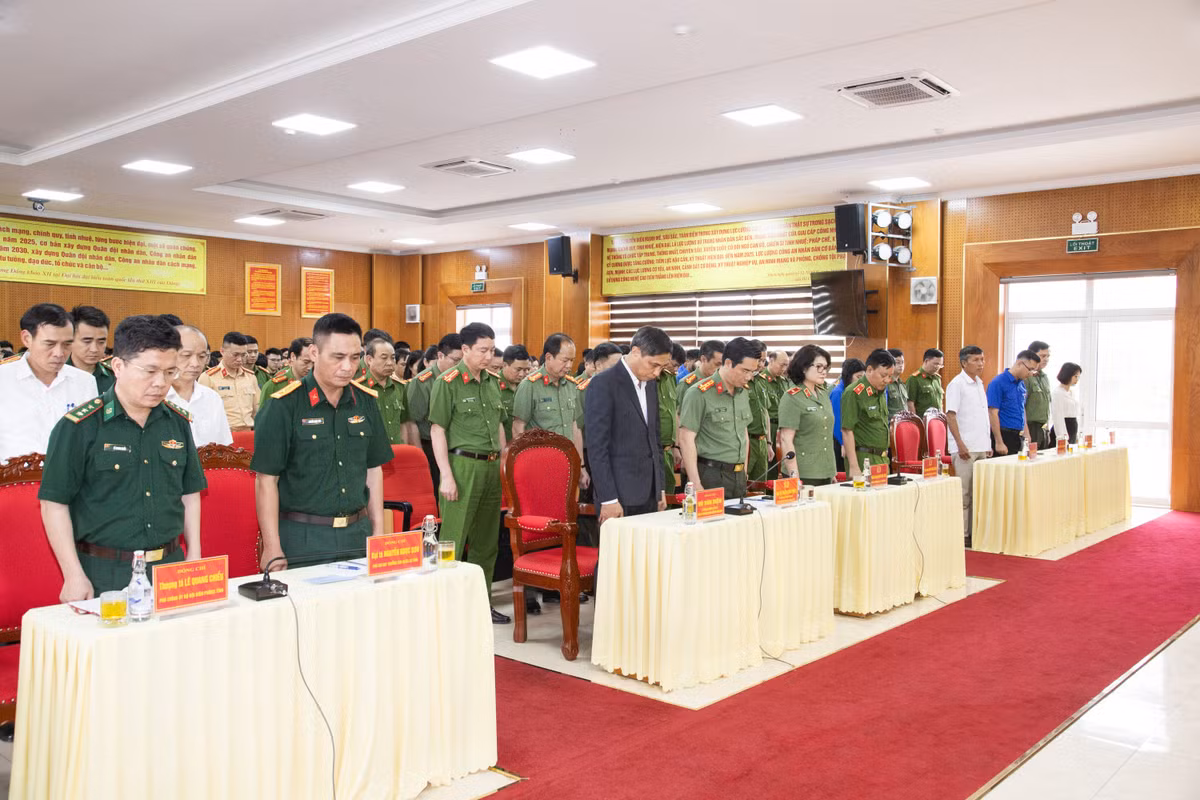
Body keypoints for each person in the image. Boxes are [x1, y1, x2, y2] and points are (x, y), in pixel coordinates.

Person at [39, 315, 206, 600]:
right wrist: (73, 574)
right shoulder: (79, 426)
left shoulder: (177, 423)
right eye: (150, 371)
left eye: (169, 372)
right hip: (104, 570)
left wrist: (195, 555)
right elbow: (54, 504)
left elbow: (189, 495)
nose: (160, 383)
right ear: (118, 366)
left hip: (169, 566)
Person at [252, 313, 392, 571]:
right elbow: (266, 481)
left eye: (354, 357)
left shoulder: (366, 402)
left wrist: (378, 535)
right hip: (304, 538)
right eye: (337, 357)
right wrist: (272, 546)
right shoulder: (283, 405)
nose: (348, 367)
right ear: (314, 352)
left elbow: (374, 472)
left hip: (357, 534)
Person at [428, 322, 509, 624]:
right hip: (462, 466)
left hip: (490, 467)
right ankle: (446, 607)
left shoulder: (492, 381)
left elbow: (499, 424)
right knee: (452, 540)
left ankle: (480, 603)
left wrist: (503, 463)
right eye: (482, 350)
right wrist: (445, 475)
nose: (489, 356)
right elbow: (437, 430)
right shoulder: (448, 382)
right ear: (465, 350)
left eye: (491, 350)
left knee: (487, 542)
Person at [585, 326, 672, 524]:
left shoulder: (650, 384)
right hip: (618, 495)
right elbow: (597, 449)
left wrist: (660, 489)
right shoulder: (603, 384)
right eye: (654, 365)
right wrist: (608, 498)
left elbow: (655, 439)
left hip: (649, 493)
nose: (657, 373)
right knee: (618, 554)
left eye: (662, 367)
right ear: (636, 352)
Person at [0, 303, 98, 462]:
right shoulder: (3, 379)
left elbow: (90, 440)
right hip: (11, 483)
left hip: (68, 482)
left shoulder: (84, 383)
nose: (59, 353)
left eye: (67, 344)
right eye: (49, 344)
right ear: (27, 339)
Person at [679, 337, 761, 499]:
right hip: (710, 475)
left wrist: (743, 470)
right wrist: (695, 483)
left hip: (738, 476)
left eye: (753, 372)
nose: (749, 377)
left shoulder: (743, 392)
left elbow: (743, 431)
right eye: (745, 371)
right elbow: (686, 439)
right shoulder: (699, 393)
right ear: (729, 363)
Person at [512, 333, 588, 488]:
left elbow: (575, 428)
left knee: (567, 511)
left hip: (568, 463)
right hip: (539, 465)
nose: (569, 366)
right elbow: (518, 428)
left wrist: (581, 466)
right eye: (564, 360)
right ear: (548, 357)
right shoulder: (530, 386)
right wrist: (526, 464)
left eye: (572, 361)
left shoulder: (572, 386)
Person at [945, 345, 992, 545]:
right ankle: (962, 534)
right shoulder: (957, 384)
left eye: (982, 359)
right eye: (976, 360)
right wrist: (960, 444)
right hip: (965, 447)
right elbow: (951, 415)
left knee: (978, 493)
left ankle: (974, 532)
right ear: (964, 363)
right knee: (964, 493)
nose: (981, 363)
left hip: (981, 445)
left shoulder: (979, 383)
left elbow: (982, 415)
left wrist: (987, 442)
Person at [407, 334, 463, 486]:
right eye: (456, 360)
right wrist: (420, 457)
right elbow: (412, 422)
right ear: (440, 355)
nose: (460, 365)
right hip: (431, 447)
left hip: (459, 447)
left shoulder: (463, 380)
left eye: (463, 360)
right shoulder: (422, 382)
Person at [778, 345, 836, 485]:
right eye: (819, 367)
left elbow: (826, 434)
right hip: (804, 472)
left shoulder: (823, 395)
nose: (824, 372)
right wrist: (794, 476)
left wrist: (831, 472)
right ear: (804, 368)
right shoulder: (792, 397)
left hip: (825, 470)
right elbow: (786, 439)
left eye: (826, 367)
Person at [167, 325, 233, 447]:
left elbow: (223, 447)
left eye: (202, 356)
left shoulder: (212, 398)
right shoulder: (155, 398)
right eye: (186, 355)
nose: (195, 364)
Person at [841, 349, 896, 479]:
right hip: (864, 459)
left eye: (890, 376)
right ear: (870, 370)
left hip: (882, 459)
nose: (887, 380)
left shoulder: (881, 392)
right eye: (883, 375)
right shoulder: (854, 392)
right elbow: (847, 431)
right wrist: (854, 466)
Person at [198, 332, 259, 432]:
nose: (240, 359)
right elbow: (201, 412)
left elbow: (257, 410)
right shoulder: (208, 378)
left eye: (243, 355)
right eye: (235, 355)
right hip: (222, 434)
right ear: (222, 351)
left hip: (248, 433)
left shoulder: (251, 377)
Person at [987, 351, 1039, 456]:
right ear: (1020, 363)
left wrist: (1027, 434)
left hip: (1018, 436)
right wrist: (999, 442)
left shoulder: (1022, 384)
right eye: (1030, 369)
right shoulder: (998, 382)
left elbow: (1022, 409)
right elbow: (992, 413)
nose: (1031, 373)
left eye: (1034, 371)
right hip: (1003, 435)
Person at [362, 337, 409, 445]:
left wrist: (404, 448)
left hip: (397, 453)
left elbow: (403, 422)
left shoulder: (399, 387)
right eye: (384, 358)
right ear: (369, 359)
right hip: (373, 456)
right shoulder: (359, 388)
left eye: (393, 358)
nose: (390, 363)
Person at [657, 342, 685, 495]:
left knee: (669, 491)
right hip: (654, 450)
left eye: (677, 367)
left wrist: (676, 446)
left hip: (668, 449)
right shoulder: (649, 380)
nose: (675, 370)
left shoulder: (670, 379)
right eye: (673, 365)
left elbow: (674, 413)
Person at [829, 358, 865, 474]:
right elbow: (837, 421)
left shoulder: (856, 391)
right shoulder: (838, 392)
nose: (861, 381)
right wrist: (843, 443)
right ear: (849, 376)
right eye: (858, 377)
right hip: (839, 441)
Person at [67, 305, 114, 393]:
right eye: (87, 341)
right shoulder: (55, 375)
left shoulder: (116, 376)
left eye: (101, 342)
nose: (94, 349)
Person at [259, 337, 315, 408]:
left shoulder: (321, 385)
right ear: (293, 357)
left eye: (314, 363)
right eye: (306, 362)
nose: (310, 367)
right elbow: (264, 417)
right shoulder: (274, 386)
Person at [745, 341, 773, 481]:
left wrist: (768, 443)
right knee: (745, 485)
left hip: (762, 442)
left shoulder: (762, 381)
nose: (762, 365)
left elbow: (765, 412)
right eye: (759, 360)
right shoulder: (741, 381)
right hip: (748, 441)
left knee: (761, 486)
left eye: (764, 360)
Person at [1024, 340, 1053, 451]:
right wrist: (1026, 432)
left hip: (1043, 428)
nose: (1046, 359)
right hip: (1031, 427)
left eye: (1048, 356)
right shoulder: (1026, 377)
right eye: (1042, 356)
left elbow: (1046, 406)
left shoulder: (1045, 377)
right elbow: (1022, 406)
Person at [906, 348, 946, 418]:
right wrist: (916, 422)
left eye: (940, 365)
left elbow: (940, 402)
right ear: (926, 361)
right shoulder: (914, 379)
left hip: (937, 421)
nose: (938, 367)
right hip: (923, 421)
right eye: (936, 364)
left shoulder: (937, 378)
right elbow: (910, 403)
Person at [1052, 362, 1083, 445]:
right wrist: (1062, 437)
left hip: (1073, 427)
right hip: (1064, 427)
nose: (1077, 379)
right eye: (1075, 376)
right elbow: (1057, 416)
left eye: (1078, 377)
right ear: (1068, 375)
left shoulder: (1072, 392)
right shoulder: (1057, 393)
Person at [885, 349, 908, 418]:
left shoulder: (902, 384)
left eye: (902, 362)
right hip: (891, 424)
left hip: (904, 423)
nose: (901, 365)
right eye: (897, 362)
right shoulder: (885, 384)